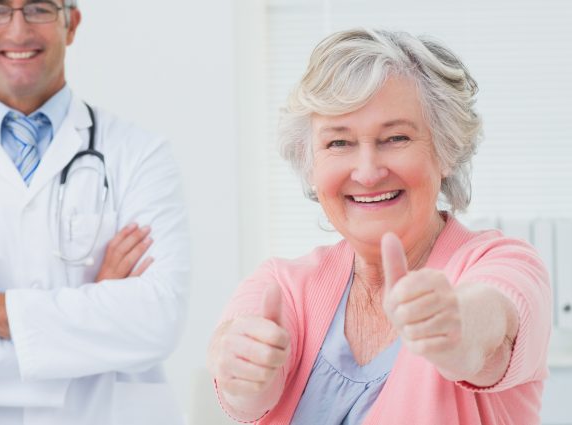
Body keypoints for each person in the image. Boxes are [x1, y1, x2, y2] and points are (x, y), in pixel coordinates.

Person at [207, 28, 552, 424]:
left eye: (395, 138)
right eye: (339, 143)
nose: (368, 172)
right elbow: (242, 387)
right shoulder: (284, 285)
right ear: (311, 164)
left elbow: (493, 329)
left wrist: (456, 325)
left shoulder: (502, 264)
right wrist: (241, 369)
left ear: (445, 150)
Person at [0, 1, 190, 424]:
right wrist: (93, 324)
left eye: (39, 8)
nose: (19, 30)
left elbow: (155, 322)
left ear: (71, 23)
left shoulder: (140, 157)